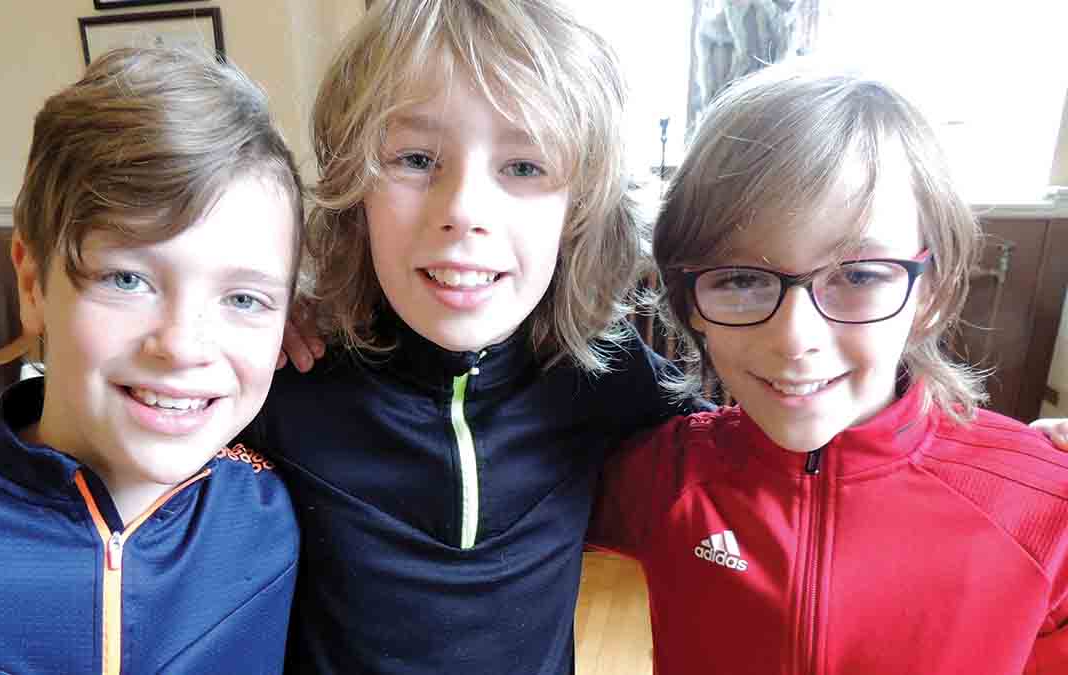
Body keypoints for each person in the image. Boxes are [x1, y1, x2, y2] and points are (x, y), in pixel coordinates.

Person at [237, 1, 702, 672]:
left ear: (578, 210)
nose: (462, 210)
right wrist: (243, 317)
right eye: (416, 158)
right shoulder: (286, 377)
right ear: (354, 190)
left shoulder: (602, 373)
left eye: (523, 167)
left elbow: (751, 453)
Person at [589, 64, 1068, 674]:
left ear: (933, 292)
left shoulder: (1045, 505)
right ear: (691, 305)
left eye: (858, 275)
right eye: (740, 279)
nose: (795, 339)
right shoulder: (660, 475)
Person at [0, 47, 303, 674]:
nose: (183, 346)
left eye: (243, 299)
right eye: (127, 279)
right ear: (31, 284)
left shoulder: (271, 506)